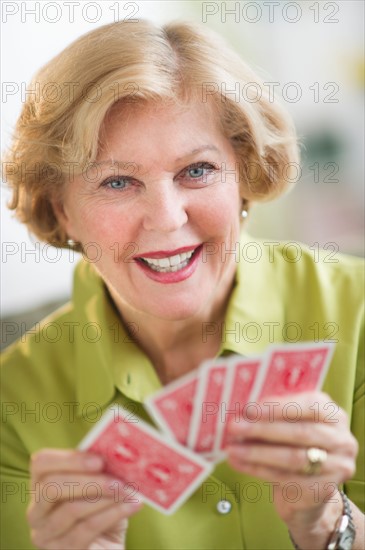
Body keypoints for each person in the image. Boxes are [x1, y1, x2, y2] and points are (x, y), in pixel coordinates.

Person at [1, 18, 364, 550]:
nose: (167, 219)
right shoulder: (12, 404)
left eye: (196, 170)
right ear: (63, 210)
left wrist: (329, 525)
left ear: (245, 172)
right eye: (117, 182)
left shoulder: (358, 310)